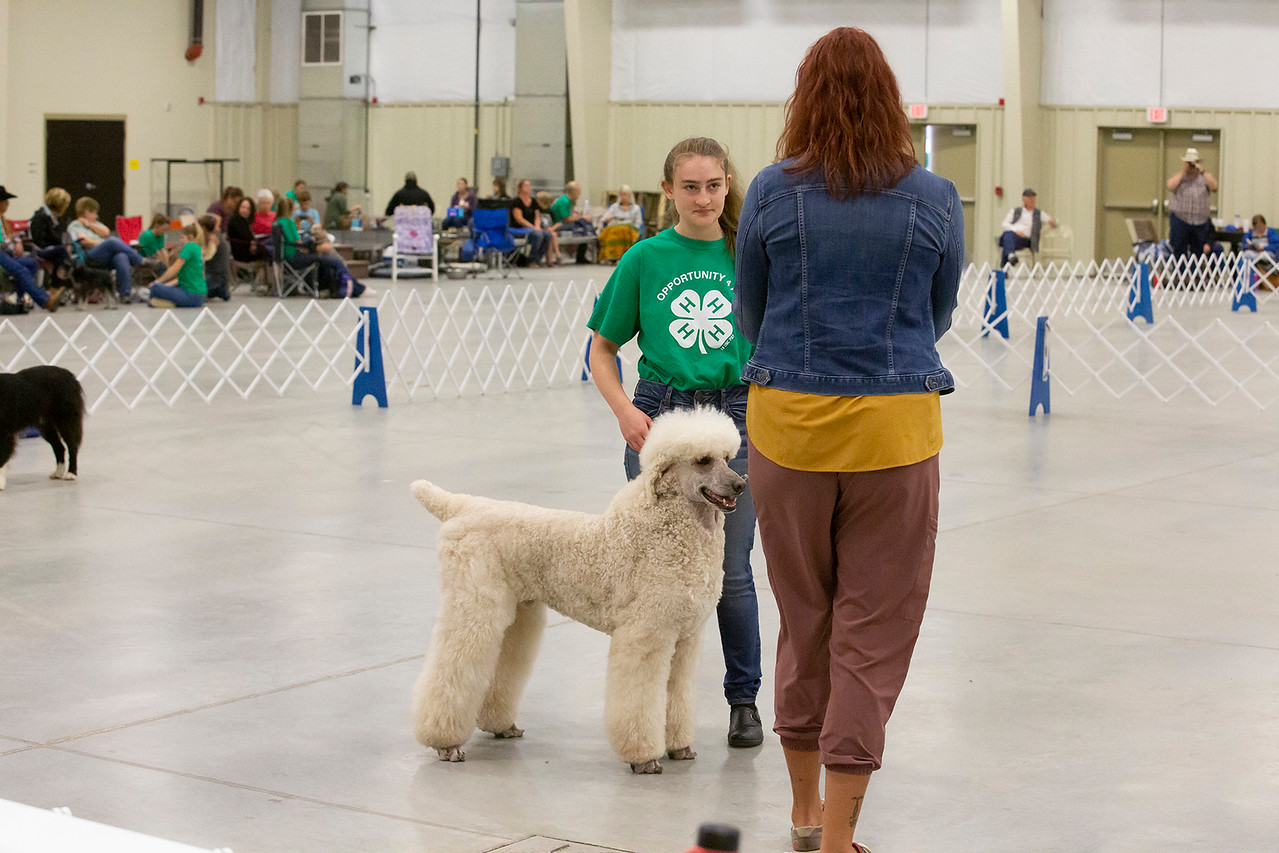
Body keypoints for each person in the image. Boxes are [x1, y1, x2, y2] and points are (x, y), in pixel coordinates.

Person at [733, 27, 961, 853]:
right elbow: (937, 317)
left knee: (803, 619)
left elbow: (753, 314)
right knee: (873, 632)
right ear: (890, 98)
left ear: (805, 96)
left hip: (785, 430)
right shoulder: (933, 197)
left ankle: (797, 816)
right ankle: (837, 838)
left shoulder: (766, 190)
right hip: (894, 433)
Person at [587, 136, 765, 757]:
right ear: (667, 191)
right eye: (689, 187)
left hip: (736, 418)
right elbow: (602, 351)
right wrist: (625, 413)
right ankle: (651, 713)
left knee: (732, 571)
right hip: (660, 419)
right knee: (654, 577)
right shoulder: (643, 258)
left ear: (726, 184)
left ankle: (743, 701)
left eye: (713, 185)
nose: (703, 198)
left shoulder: (750, 254)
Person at [276, 196, 364, 298]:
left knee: (326, 254)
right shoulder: (289, 222)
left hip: (285, 257)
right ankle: (354, 286)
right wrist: (314, 246)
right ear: (291, 208)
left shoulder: (277, 223)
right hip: (295, 257)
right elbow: (298, 242)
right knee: (334, 260)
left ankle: (349, 285)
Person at [66, 196, 145, 302]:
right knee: (112, 241)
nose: (96, 215)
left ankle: (125, 294)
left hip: (105, 255)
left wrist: (89, 225)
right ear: (86, 212)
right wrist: (104, 244)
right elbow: (84, 241)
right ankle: (141, 261)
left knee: (121, 257)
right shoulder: (75, 225)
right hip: (89, 255)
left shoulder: (96, 224)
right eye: (94, 213)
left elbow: (106, 232)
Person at [1, 185, 63, 312]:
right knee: (21, 270)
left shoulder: (3, 220)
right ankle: (45, 300)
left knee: (32, 263)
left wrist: (17, 242)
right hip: (2, 254)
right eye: (5, 201)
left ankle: (18, 298)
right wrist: (13, 247)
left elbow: (11, 236)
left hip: (5, 254)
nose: (7, 204)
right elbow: (3, 242)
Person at [1167, 147, 1217, 257]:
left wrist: (1202, 171)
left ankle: (1195, 273)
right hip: (1181, 219)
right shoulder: (1180, 177)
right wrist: (1184, 170)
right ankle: (1180, 273)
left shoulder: (1204, 178)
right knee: (1179, 250)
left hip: (1200, 221)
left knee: (1198, 251)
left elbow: (1214, 187)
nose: (1192, 166)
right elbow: (1170, 185)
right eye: (1189, 162)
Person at [149, 222, 207, 309]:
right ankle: (163, 302)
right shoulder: (197, 248)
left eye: (182, 237)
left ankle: (163, 303)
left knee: (155, 288)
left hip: (191, 295)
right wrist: (166, 285)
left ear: (190, 237)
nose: (180, 241)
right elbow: (181, 279)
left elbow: (174, 269)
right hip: (199, 296)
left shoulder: (189, 246)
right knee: (160, 288)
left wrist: (158, 281)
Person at [998, 188, 1057, 267]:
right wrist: (1016, 231)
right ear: (1024, 199)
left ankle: (1009, 259)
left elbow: (1051, 220)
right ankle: (1011, 256)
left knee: (1007, 241)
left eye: (1033, 198)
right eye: (1029, 198)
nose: (1031, 200)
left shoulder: (1038, 213)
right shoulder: (1015, 211)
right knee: (1008, 235)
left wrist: (1054, 222)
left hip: (1026, 240)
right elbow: (1004, 224)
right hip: (1014, 236)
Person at [509, 179, 550, 266]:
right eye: (526, 186)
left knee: (547, 234)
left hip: (533, 227)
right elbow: (519, 219)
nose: (529, 188)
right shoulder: (516, 202)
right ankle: (532, 260)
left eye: (529, 185)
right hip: (519, 228)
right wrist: (532, 227)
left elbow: (537, 217)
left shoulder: (534, 201)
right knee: (538, 235)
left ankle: (538, 258)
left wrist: (537, 226)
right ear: (520, 188)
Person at [598, 185, 644, 262]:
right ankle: (612, 256)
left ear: (630, 196)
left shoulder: (636, 208)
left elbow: (638, 223)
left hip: (629, 229)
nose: (623, 197)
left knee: (623, 230)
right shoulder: (614, 207)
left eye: (625, 194)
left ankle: (624, 256)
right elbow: (603, 219)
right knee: (613, 231)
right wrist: (609, 218)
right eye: (621, 194)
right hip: (614, 227)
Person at [197, 214, 231, 301]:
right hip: (222, 278)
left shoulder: (212, 239)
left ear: (203, 228)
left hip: (214, 278)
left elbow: (204, 258)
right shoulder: (217, 236)